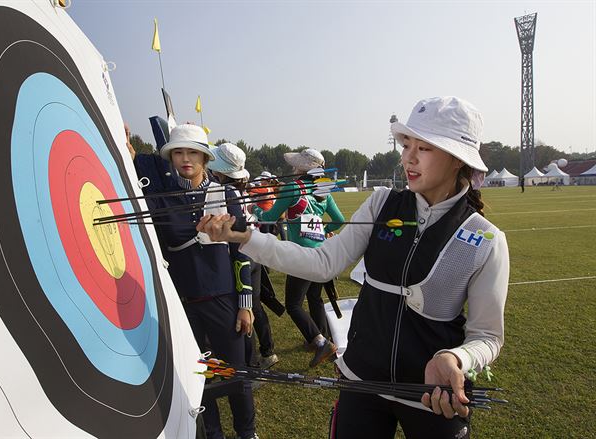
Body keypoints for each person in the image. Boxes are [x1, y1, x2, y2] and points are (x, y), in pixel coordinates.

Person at [196, 97, 509, 438]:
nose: (409, 157)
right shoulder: (382, 202)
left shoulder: (484, 238)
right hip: (361, 381)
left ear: (457, 160)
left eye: (425, 148)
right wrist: (243, 237)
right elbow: (322, 263)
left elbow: (487, 337)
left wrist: (456, 358)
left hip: (432, 393)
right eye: (407, 144)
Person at [127, 125, 258, 439]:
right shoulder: (161, 198)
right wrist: (128, 153)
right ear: (171, 157)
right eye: (179, 152)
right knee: (200, 374)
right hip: (184, 304)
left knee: (236, 373)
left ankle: (247, 432)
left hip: (224, 300)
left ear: (205, 158)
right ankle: (212, 432)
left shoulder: (224, 194)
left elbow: (241, 250)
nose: (185, 159)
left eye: (193, 152)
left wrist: (245, 305)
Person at [252, 149, 345, 368]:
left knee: (294, 305)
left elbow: (269, 218)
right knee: (314, 298)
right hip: (321, 251)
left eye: (296, 165)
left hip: (301, 254)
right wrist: (322, 230)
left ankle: (320, 341)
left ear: (303, 168)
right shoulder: (324, 189)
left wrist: (254, 208)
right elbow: (339, 220)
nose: (293, 168)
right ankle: (320, 338)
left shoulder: (293, 187)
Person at [208, 143, 279, 370]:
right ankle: (267, 352)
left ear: (219, 171)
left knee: (244, 310)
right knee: (254, 307)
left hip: (242, 258)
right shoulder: (240, 189)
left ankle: (250, 365)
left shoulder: (223, 192)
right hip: (253, 253)